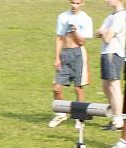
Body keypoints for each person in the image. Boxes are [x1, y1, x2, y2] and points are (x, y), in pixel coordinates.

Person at [48, 0, 93, 128]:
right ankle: (61, 113)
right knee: (56, 87)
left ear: (82, 3)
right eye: (72, 2)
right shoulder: (62, 16)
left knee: (78, 88)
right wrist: (57, 57)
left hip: (78, 54)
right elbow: (59, 38)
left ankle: (79, 117)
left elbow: (82, 42)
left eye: (77, 3)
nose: (74, 5)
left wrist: (75, 30)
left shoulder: (86, 19)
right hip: (64, 54)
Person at [96, 0, 126, 131]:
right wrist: (103, 32)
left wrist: (103, 32)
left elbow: (107, 38)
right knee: (106, 86)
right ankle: (116, 115)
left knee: (114, 86)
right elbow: (99, 33)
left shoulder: (120, 16)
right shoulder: (111, 16)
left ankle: (119, 119)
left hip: (113, 53)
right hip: (106, 52)